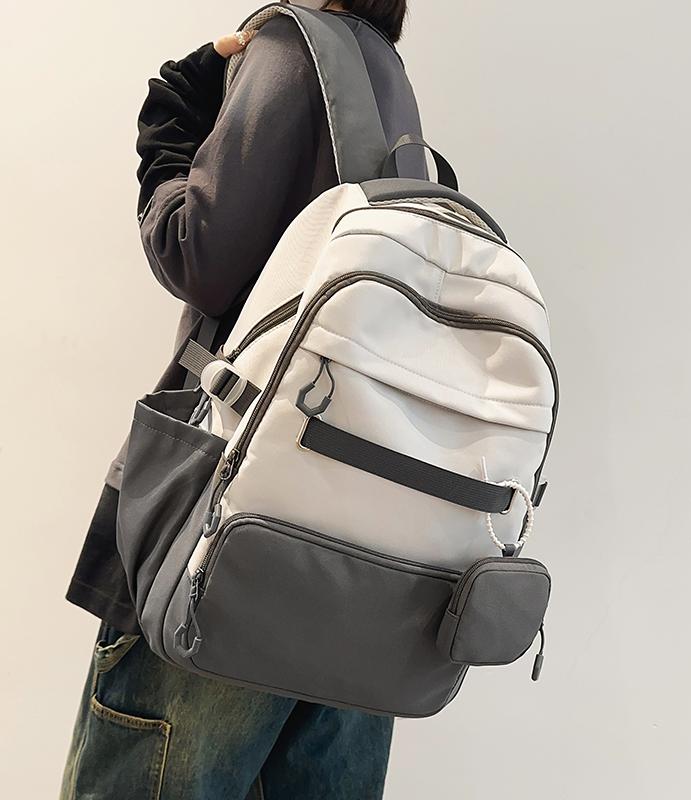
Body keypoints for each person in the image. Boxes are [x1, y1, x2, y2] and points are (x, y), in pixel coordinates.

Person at [60, 2, 423, 798]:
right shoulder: (388, 82)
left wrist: (174, 117)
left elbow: (197, 256)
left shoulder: (293, 48)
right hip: (357, 571)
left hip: (224, 541)